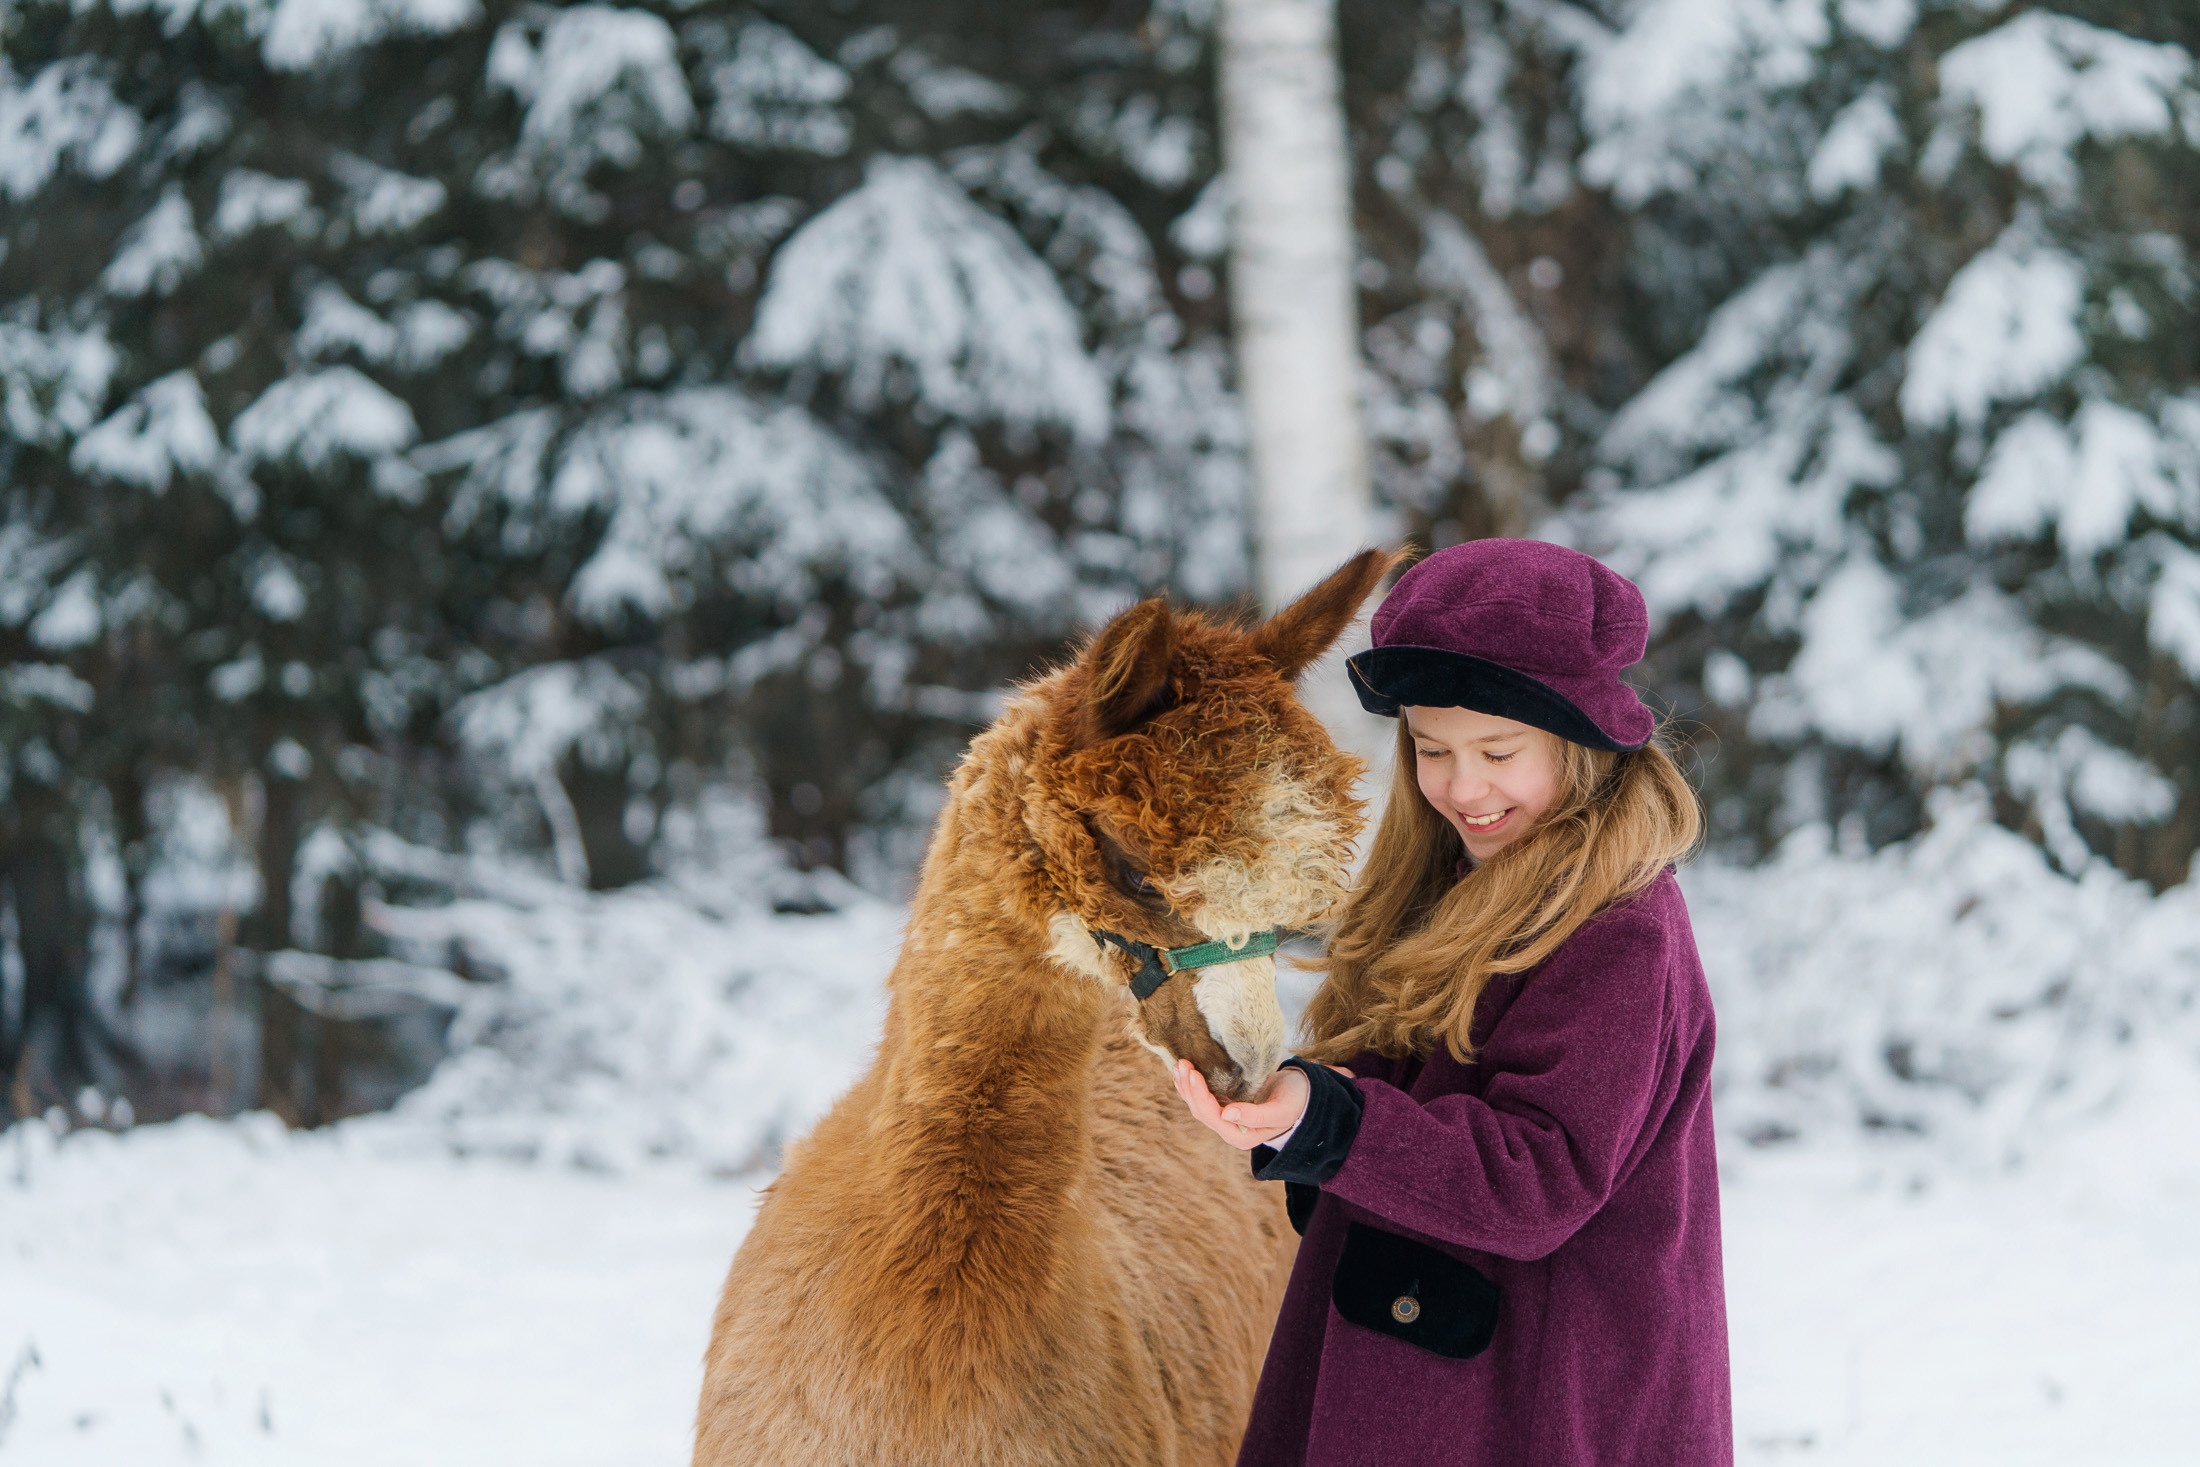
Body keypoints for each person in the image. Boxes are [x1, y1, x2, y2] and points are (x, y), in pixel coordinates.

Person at [1171, 538, 1731, 1466]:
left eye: (1499, 751)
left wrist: (1332, 1123)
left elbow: (1537, 1177)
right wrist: (1291, 1112)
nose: (1465, 788)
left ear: (1580, 742)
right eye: (1433, 750)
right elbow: (1389, 1100)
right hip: (1409, 1358)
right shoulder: (1444, 883)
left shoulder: (1619, 930)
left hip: (1533, 1399)